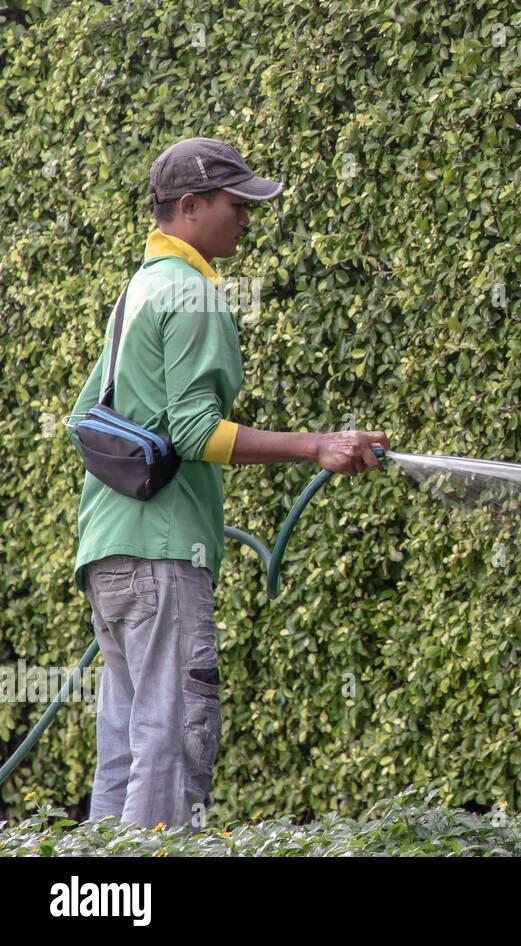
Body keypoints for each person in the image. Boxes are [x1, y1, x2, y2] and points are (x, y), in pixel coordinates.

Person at [65, 137, 390, 832]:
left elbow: (83, 417)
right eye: (236, 205)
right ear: (189, 206)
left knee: (123, 748)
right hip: (163, 554)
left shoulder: (138, 290)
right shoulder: (191, 293)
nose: (247, 218)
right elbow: (194, 433)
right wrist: (318, 447)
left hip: (109, 553)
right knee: (171, 745)